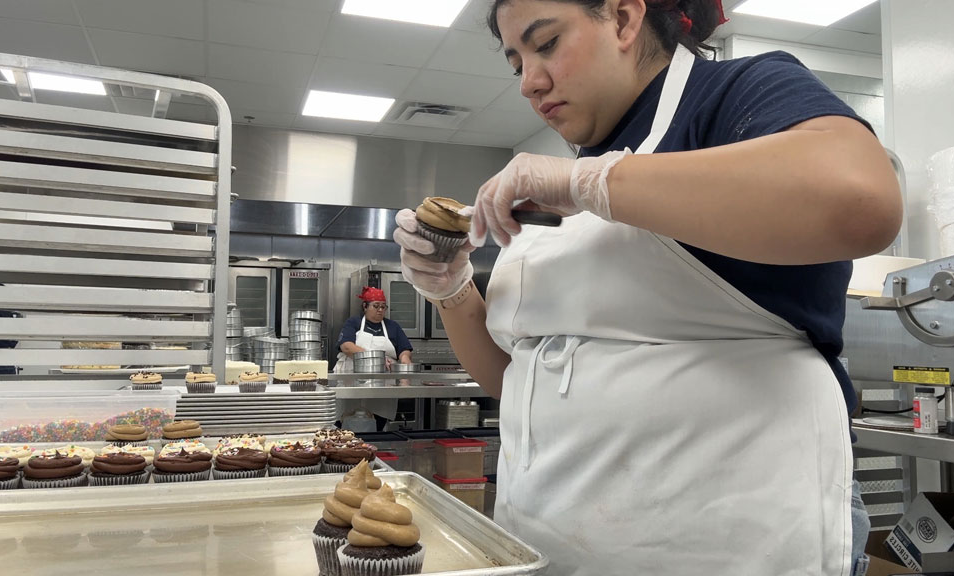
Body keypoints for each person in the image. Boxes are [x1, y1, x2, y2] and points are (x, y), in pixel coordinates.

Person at [392, 1, 902, 574]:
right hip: (548, 541)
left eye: (548, 43)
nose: (530, 84)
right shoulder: (577, 173)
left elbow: (862, 199)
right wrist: (451, 289)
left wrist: (590, 182)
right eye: (516, 65)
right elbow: (525, 384)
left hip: (726, 546)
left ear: (625, 19)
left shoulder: (730, 96)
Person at [334, 286, 413, 431]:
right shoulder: (354, 323)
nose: (380, 310)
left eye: (383, 307)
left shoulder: (392, 326)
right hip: (352, 384)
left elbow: (404, 351)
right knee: (346, 424)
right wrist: (376, 358)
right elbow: (346, 346)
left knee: (378, 424)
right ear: (365, 306)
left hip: (382, 386)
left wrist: (405, 368)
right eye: (376, 306)